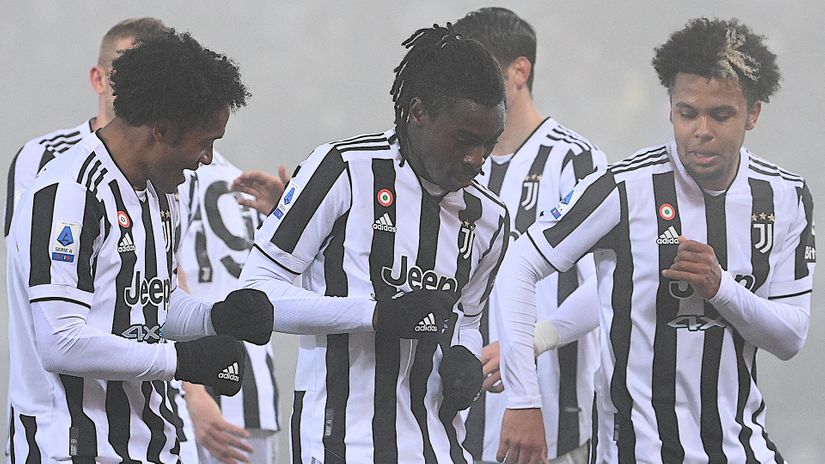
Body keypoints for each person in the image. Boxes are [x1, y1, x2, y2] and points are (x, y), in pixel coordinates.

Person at [495, 17, 815, 464]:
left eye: (720, 115)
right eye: (687, 113)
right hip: (636, 452)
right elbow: (520, 264)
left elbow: (790, 337)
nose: (701, 128)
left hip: (742, 449)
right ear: (670, 109)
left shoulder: (785, 196)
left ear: (753, 113)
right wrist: (525, 395)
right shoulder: (622, 189)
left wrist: (721, 289)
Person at [240, 23, 509, 463]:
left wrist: (464, 356)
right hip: (340, 443)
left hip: (439, 446)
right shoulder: (341, 170)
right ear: (418, 112)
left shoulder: (490, 217)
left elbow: (467, 318)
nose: (476, 159)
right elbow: (256, 292)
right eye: (464, 140)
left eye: (489, 144)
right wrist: (375, 314)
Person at [5, 29, 274, 463]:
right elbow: (61, 341)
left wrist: (214, 316)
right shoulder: (69, 193)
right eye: (205, 142)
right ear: (161, 130)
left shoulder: (163, 192)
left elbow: (153, 305)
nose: (207, 159)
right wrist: (180, 361)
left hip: (153, 443)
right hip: (71, 449)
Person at [452, 8, 604, 464]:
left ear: (520, 71)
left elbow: (608, 288)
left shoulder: (577, 162)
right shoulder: (448, 167)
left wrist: (531, 340)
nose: (464, 89)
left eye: (478, 73)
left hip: (555, 431)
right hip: (453, 430)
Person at [177, 153, 282, 463]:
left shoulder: (160, 180)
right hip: (252, 392)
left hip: (190, 389)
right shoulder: (244, 182)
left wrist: (191, 393)